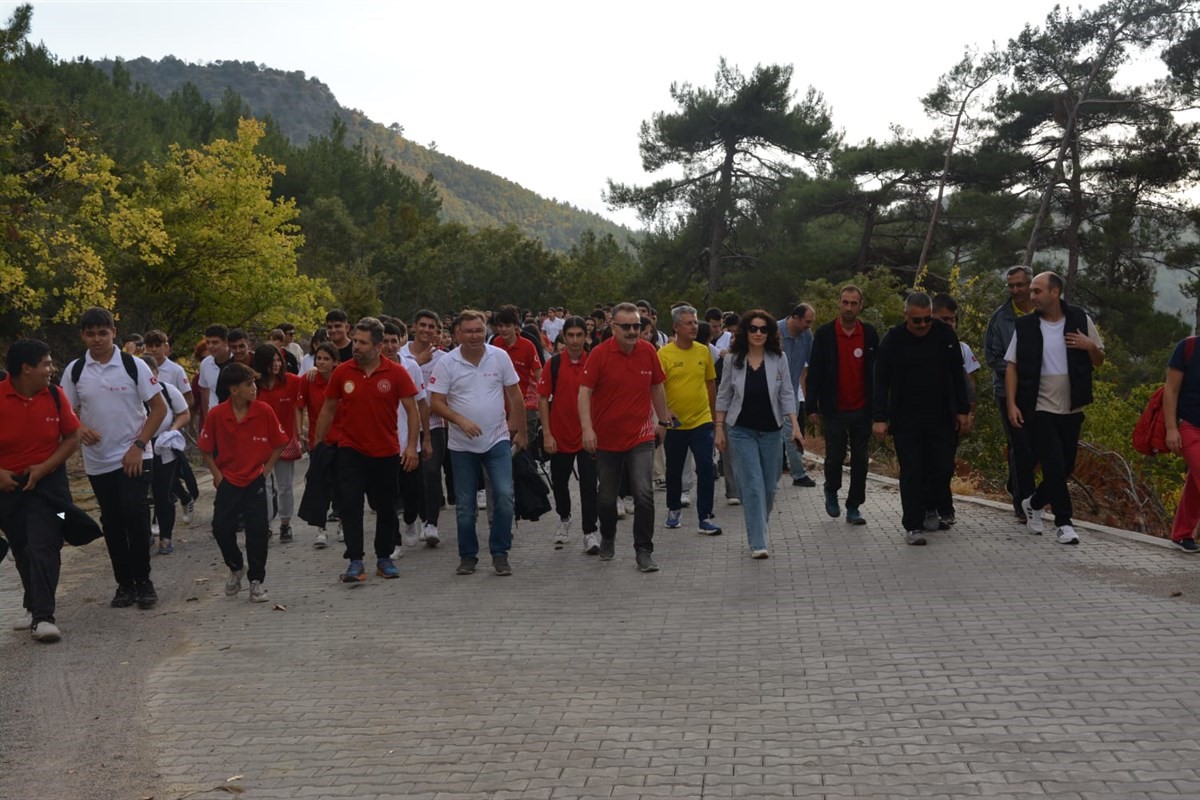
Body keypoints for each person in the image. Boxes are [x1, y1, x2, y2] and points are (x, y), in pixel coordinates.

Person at [61, 307, 167, 610]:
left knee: (134, 513)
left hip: (134, 453)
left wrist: (139, 444)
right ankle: (124, 584)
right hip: (98, 460)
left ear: (113, 332)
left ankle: (144, 581)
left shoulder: (134, 366)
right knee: (113, 521)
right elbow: (64, 412)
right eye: (90, 333)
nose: (97, 339)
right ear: (83, 335)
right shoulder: (76, 370)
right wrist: (80, 428)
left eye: (102, 333)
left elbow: (157, 409)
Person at [314, 317, 419, 583]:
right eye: (356, 341)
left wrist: (411, 447)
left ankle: (384, 559)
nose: (356, 347)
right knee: (350, 505)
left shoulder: (396, 373)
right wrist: (317, 444)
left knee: (385, 507)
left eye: (362, 342)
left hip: (385, 451)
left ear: (379, 345)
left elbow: (412, 410)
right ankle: (355, 560)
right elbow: (327, 408)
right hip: (350, 449)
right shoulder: (343, 372)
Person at [1005, 272, 1104, 545]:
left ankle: (1034, 502)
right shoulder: (1025, 327)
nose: (1031, 296)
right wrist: (1012, 404)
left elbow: (1099, 360)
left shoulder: (1079, 319)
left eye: (1037, 291)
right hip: (1039, 408)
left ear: (1055, 292)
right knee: (1053, 464)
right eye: (1032, 291)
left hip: (1072, 407)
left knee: (1066, 466)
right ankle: (1063, 522)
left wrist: (1090, 346)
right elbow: (1011, 367)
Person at [428, 310, 527, 577]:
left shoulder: (499, 357)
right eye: (469, 331)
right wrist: (459, 420)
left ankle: (500, 552)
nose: (474, 336)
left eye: (479, 330)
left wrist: (522, 432)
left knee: (505, 496)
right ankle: (468, 556)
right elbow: (435, 402)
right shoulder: (448, 363)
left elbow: (515, 395)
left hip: (497, 440)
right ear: (458, 333)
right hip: (462, 446)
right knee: (465, 505)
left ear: (486, 330)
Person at [873, 293, 971, 546]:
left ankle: (932, 506)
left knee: (942, 467)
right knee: (912, 471)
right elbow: (880, 382)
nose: (923, 325)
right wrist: (879, 418)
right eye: (917, 321)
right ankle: (913, 525)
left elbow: (957, 376)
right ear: (906, 316)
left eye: (927, 320)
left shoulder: (945, 335)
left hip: (941, 416)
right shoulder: (893, 340)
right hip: (906, 418)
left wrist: (963, 410)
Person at [579, 302, 670, 572]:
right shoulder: (599, 354)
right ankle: (608, 536)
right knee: (607, 497)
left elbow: (657, 386)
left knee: (644, 493)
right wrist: (587, 429)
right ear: (613, 327)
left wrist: (662, 421)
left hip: (640, 435)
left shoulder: (648, 351)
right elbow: (584, 392)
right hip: (606, 438)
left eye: (637, 326)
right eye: (626, 326)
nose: (633, 331)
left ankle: (644, 550)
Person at [0, 339, 81, 642]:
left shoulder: (55, 396)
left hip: (49, 488)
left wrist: (44, 467)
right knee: (22, 546)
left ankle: (44, 618)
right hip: (8, 488)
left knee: (44, 543)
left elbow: (72, 438)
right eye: (46, 363)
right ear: (26, 368)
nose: (52, 369)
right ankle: (33, 602)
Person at [714, 311, 802, 559]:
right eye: (753, 328)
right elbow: (723, 395)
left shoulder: (778, 358)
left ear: (770, 333)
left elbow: (786, 393)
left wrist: (794, 425)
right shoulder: (733, 359)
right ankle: (758, 541)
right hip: (740, 430)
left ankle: (757, 523)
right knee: (752, 485)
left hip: (772, 431)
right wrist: (719, 428)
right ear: (745, 331)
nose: (758, 333)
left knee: (770, 487)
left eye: (763, 329)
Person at [198, 362, 288, 603]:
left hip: (255, 480)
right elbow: (205, 449)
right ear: (234, 389)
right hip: (228, 480)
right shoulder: (217, 414)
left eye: (254, 383)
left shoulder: (264, 410)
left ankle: (256, 581)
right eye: (249, 385)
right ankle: (236, 565)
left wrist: (265, 471)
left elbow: (280, 443)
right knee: (221, 527)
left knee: (258, 531)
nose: (255, 388)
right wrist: (217, 476)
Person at [807, 285, 879, 526]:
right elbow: (814, 370)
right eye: (845, 302)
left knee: (860, 459)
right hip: (834, 408)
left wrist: (880, 409)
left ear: (861, 306)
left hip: (862, 408)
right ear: (839, 303)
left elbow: (878, 373)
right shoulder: (825, 333)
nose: (849, 307)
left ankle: (854, 506)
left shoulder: (869, 334)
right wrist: (811, 407)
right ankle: (831, 489)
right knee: (834, 456)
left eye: (854, 303)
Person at [537, 316, 600, 553]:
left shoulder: (594, 362)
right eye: (570, 335)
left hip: (587, 435)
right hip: (560, 436)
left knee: (588, 485)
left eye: (579, 335)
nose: (574, 340)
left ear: (587, 337)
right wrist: (547, 434)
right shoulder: (553, 364)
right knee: (560, 483)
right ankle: (564, 518)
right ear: (563, 336)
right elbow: (543, 398)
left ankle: (590, 532)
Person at [658, 305, 721, 534]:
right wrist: (664, 411)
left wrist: (715, 418)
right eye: (688, 323)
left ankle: (705, 516)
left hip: (702, 420)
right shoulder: (663, 354)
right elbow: (656, 387)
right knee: (674, 469)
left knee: (705, 466)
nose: (694, 326)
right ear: (676, 327)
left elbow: (710, 383)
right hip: (675, 423)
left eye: (695, 322)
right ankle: (674, 509)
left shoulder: (703, 351)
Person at [984, 266, 1038, 524]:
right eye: (1010, 285)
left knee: (1035, 446)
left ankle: (1013, 482)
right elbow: (992, 357)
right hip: (1007, 391)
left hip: (1042, 392)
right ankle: (1024, 504)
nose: (1015, 290)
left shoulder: (1045, 314)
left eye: (1019, 285)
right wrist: (1020, 370)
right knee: (1020, 446)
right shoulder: (1001, 317)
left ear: (1030, 285)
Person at [931, 294, 981, 525]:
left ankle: (944, 507)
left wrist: (968, 413)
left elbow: (969, 382)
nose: (949, 324)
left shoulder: (961, 349)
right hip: (925, 414)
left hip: (951, 416)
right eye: (943, 320)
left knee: (944, 464)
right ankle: (929, 507)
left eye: (952, 320)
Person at [404, 309, 449, 545]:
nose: (427, 330)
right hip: (406, 426)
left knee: (432, 473)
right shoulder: (401, 356)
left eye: (432, 326)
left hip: (434, 424)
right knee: (414, 477)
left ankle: (431, 523)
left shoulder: (444, 358)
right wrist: (416, 363)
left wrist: (435, 407)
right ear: (414, 327)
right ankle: (416, 518)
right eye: (423, 325)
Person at [252, 344, 303, 542]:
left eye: (278, 360)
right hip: (260, 444)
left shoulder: (291, 381)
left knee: (285, 486)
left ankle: (285, 523)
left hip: (284, 442)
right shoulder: (255, 387)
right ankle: (265, 524)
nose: (276, 364)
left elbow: (308, 384)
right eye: (271, 360)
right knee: (263, 486)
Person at [141, 355, 191, 555]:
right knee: (140, 497)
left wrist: (172, 429)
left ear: (156, 373)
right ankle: (145, 536)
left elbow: (184, 413)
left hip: (163, 447)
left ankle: (165, 537)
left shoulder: (168, 392)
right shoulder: (132, 393)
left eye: (150, 375)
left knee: (163, 494)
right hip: (139, 448)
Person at [298, 341, 341, 548]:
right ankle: (320, 529)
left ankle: (343, 523)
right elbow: (299, 406)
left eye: (326, 359)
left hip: (343, 439)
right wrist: (300, 431)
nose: (321, 362)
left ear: (335, 362)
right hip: (319, 440)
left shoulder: (342, 379)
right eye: (319, 358)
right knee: (319, 484)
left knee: (342, 484)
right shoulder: (309, 380)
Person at [1163, 334, 1200, 552]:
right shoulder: (1188, 348)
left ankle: (1182, 534)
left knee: (1195, 484)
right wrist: (1171, 428)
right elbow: (1171, 390)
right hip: (1190, 428)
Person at [779, 304, 816, 487]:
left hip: (790, 392)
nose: (809, 326)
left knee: (793, 434)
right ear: (795, 317)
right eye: (807, 322)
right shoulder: (774, 331)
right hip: (769, 394)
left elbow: (813, 364)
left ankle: (798, 473)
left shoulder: (807, 336)